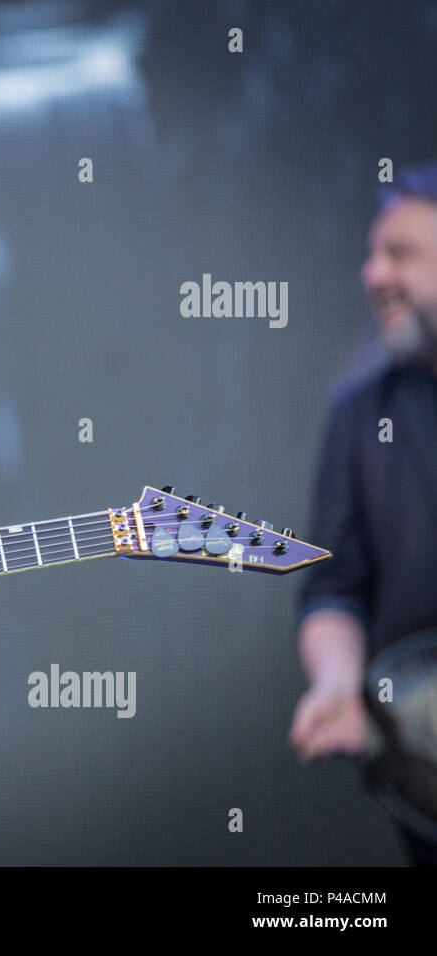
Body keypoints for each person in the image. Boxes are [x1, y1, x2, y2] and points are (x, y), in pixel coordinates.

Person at [289, 163, 437, 866]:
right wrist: (335, 683)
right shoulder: (361, 408)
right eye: (373, 254)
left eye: (400, 254)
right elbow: (332, 586)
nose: (373, 274)